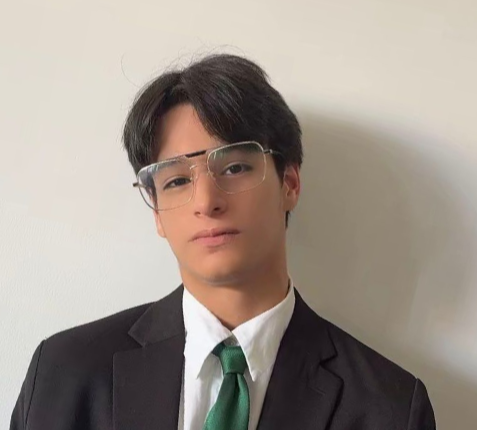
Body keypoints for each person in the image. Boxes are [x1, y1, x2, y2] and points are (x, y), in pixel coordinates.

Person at [10, 53, 436, 430]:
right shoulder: (64, 375)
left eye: (234, 168)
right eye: (177, 180)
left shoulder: (389, 407)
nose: (206, 202)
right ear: (156, 211)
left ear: (289, 183)